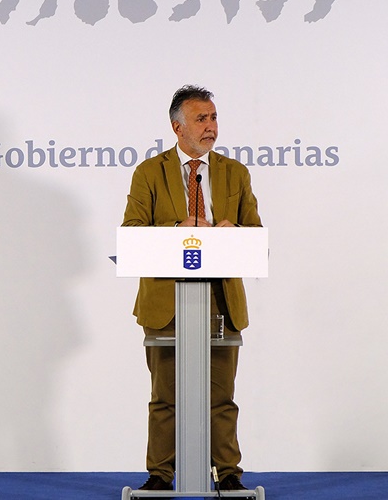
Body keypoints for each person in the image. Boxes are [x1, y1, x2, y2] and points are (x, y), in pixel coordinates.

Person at [122, 85, 262, 496]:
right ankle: (160, 476)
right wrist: (177, 229)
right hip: (167, 302)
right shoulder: (149, 172)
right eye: (201, 119)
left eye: (214, 118)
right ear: (177, 127)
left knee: (222, 397)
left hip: (220, 300)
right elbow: (132, 232)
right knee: (165, 398)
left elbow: (255, 233)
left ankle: (229, 474)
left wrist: (234, 231)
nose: (210, 127)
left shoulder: (235, 172)